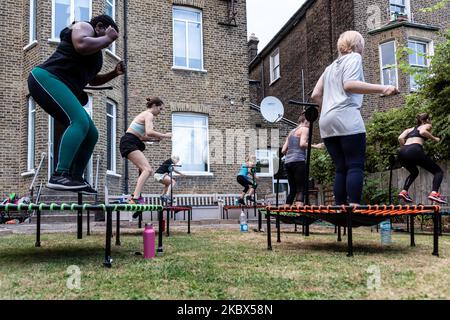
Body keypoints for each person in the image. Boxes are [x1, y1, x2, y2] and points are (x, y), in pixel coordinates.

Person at [27, 15, 124, 193]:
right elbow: (81, 44)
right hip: (45, 77)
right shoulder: (83, 27)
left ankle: (75, 177)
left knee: (91, 133)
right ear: (100, 26)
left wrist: (114, 73)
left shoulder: (96, 56)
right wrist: (108, 37)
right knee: (80, 121)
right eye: (109, 35)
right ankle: (59, 174)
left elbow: (92, 80)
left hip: (58, 83)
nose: (109, 43)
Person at [311, 30, 399, 206]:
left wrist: (329, 108)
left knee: (341, 167)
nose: (363, 48)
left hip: (327, 121)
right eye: (363, 44)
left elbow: (315, 94)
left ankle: (340, 207)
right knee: (355, 164)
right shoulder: (354, 58)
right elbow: (349, 84)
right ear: (357, 45)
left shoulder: (330, 67)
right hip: (346, 116)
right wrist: (383, 88)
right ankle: (353, 207)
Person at [119, 97, 171, 204]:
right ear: (154, 106)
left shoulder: (145, 115)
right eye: (160, 109)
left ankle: (137, 196)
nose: (160, 112)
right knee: (147, 170)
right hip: (130, 142)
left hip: (132, 141)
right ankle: (135, 198)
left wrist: (156, 139)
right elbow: (149, 131)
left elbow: (142, 137)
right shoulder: (149, 114)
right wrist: (165, 135)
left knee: (143, 170)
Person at [397, 113, 446, 204]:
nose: (431, 121)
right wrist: (434, 138)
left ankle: (404, 191)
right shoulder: (427, 125)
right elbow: (423, 132)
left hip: (402, 153)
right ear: (427, 120)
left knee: (414, 172)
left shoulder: (410, 129)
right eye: (430, 119)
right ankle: (434, 193)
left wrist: (406, 148)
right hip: (414, 150)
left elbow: (400, 138)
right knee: (438, 172)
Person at [282, 113, 323, 206]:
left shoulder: (291, 132)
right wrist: (316, 146)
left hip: (288, 162)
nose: (310, 125)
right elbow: (302, 144)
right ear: (306, 121)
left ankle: (286, 215)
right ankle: (300, 214)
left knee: (292, 189)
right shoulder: (305, 129)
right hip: (298, 161)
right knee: (301, 188)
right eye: (310, 123)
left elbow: (283, 150)